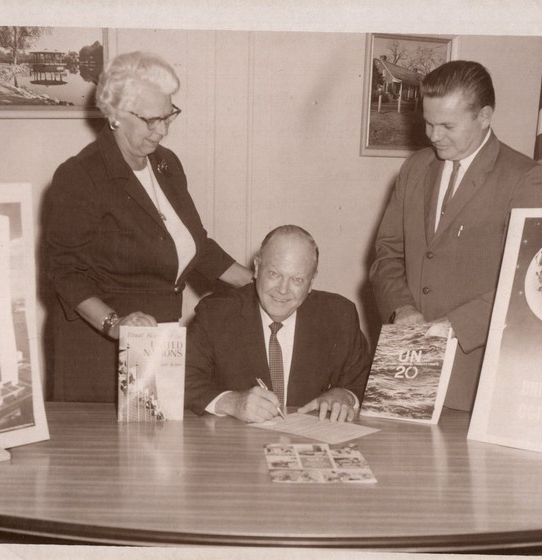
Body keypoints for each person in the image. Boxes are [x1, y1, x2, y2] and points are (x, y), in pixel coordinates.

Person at [44, 52, 253, 402]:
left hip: (158, 341)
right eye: (150, 120)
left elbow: (194, 242)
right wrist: (115, 324)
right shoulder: (80, 176)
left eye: (168, 116)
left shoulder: (166, 164)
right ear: (114, 115)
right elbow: (64, 272)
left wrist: (257, 284)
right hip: (100, 349)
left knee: (152, 449)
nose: (162, 130)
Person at [369, 60, 542, 412]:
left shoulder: (525, 179)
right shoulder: (415, 168)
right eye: (427, 122)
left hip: (475, 370)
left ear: (484, 116)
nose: (433, 135)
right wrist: (402, 309)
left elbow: (527, 282)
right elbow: (386, 253)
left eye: (447, 125)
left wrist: (452, 327)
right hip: (405, 357)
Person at [185, 225, 370, 423]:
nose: (283, 290)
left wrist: (345, 395)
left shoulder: (339, 316)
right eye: (274, 274)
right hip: (237, 445)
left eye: (297, 279)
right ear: (257, 268)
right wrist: (231, 402)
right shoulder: (215, 314)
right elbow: (182, 379)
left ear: (312, 281)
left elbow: (365, 380)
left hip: (309, 444)